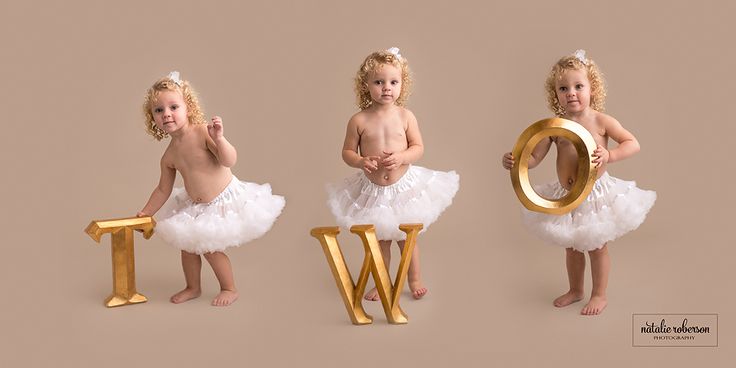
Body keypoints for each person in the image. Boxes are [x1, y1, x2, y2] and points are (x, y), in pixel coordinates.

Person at [502, 50, 656, 315]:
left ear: (592, 89)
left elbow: (633, 143)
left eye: (578, 86)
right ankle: (576, 290)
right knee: (572, 247)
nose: (571, 92)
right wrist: (519, 163)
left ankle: (599, 294)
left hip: (594, 193)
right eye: (564, 88)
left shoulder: (600, 121)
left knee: (596, 246)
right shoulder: (555, 126)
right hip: (566, 194)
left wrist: (610, 154)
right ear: (556, 94)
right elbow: (535, 156)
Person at [137, 71, 285, 307]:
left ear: (188, 107)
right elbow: (163, 190)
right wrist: (146, 212)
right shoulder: (169, 155)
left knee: (211, 249)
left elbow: (229, 160)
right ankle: (192, 287)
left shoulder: (202, 133)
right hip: (196, 205)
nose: (166, 114)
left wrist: (220, 138)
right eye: (159, 110)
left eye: (173, 107)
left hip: (223, 200)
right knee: (187, 248)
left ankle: (229, 288)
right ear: (152, 118)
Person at [328, 48, 459, 301]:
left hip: (404, 188)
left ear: (402, 85)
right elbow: (346, 152)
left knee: (407, 240)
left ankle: (414, 278)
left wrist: (402, 158)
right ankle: (382, 282)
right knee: (381, 243)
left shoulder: (405, 116)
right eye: (379, 82)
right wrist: (361, 161)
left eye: (393, 82)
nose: (386, 88)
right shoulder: (359, 120)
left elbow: (418, 147)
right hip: (374, 192)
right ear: (366, 85)